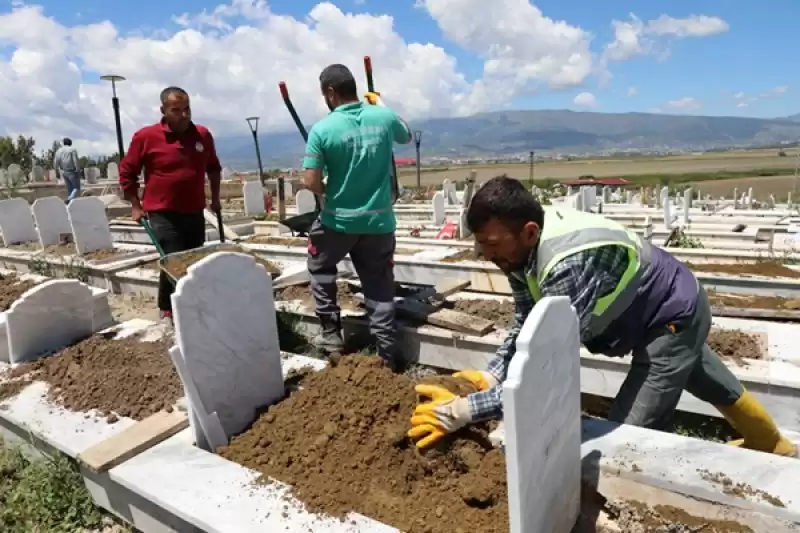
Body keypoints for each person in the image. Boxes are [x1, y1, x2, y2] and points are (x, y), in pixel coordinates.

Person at [408, 175, 797, 458]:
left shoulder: (566, 266)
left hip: (670, 316)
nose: (484, 255)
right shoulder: (519, 253)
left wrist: (461, 411)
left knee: (626, 438)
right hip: (658, 305)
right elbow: (528, 321)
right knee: (707, 379)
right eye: (480, 245)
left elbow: (546, 367)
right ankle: (770, 442)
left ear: (528, 232)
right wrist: (491, 374)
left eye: (490, 244)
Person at [301, 64, 412, 370]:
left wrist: (328, 193)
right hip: (379, 223)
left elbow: (310, 182)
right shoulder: (383, 117)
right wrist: (381, 104)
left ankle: (332, 337)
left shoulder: (323, 129)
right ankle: (387, 353)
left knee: (321, 269)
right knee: (378, 284)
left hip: (338, 221)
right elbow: (407, 135)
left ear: (331, 93)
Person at [119, 86, 222, 324]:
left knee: (191, 260)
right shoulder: (146, 137)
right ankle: (170, 309)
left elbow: (213, 168)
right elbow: (127, 172)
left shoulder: (202, 135)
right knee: (173, 258)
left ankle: (184, 303)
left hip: (194, 209)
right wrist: (135, 204)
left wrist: (215, 199)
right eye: (176, 110)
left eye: (187, 109)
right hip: (161, 211)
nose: (184, 115)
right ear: (163, 110)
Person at [53, 137, 81, 202]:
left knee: (70, 189)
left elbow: (55, 163)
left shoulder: (58, 151)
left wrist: (56, 172)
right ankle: (70, 199)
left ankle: (71, 203)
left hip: (64, 172)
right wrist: (78, 170)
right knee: (76, 188)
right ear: (70, 143)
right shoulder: (72, 150)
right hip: (72, 171)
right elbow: (75, 161)